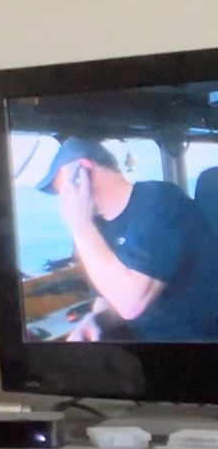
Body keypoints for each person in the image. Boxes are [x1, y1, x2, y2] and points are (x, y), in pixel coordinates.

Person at [39, 137, 218, 343]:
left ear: (85, 170)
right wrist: (96, 320)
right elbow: (108, 297)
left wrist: (80, 224)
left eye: (65, 189)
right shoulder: (97, 227)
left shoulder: (161, 203)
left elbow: (130, 304)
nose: (64, 200)